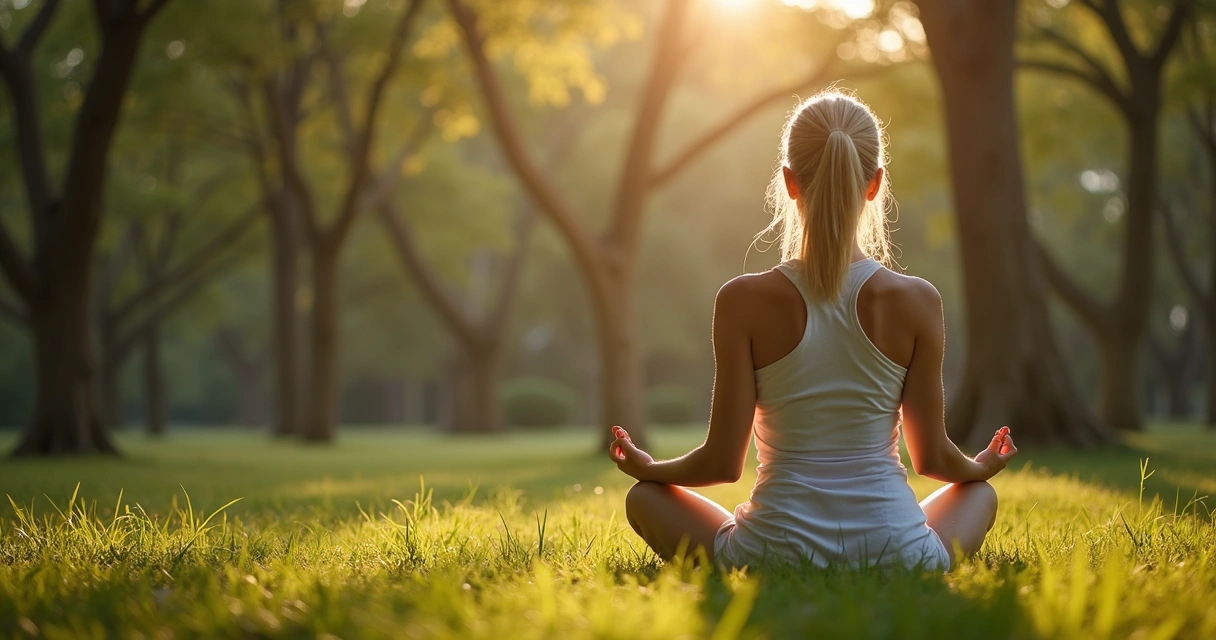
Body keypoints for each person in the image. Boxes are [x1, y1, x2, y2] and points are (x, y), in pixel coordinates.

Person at [607, 91, 1018, 571]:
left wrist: (649, 469)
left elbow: (720, 463)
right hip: (899, 555)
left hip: (769, 555)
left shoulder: (742, 300)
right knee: (979, 496)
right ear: (875, 183)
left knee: (644, 498)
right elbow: (932, 460)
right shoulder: (916, 300)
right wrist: (980, 466)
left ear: (788, 182)